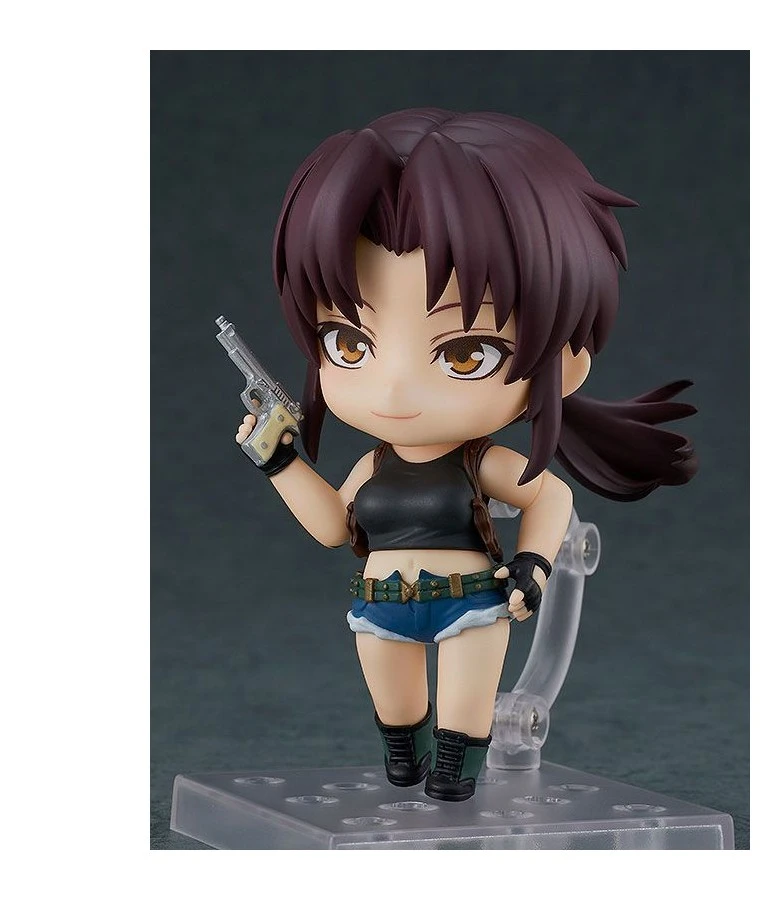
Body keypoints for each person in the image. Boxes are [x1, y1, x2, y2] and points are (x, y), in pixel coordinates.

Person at [234, 109, 697, 801]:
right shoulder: (372, 468)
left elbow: (550, 494)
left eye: (464, 353)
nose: (394, 387)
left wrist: (535, 565)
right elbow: (333, 526)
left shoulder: (479, 463)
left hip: (470, 605)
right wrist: (279, 462)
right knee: (399, 732)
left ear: (566, 364)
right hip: (380, 605)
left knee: (458, 732)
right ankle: (411, 758)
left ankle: (455, 774)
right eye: (350, 345)